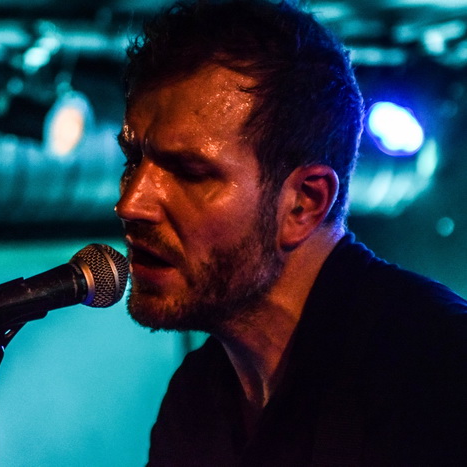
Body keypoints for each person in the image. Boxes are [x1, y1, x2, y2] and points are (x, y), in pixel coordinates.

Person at [114, 0, 467, 465]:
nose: (131, 203)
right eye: (133, 161)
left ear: (305, 203)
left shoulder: (439, 368)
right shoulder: (196, 397)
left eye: (189, 172)